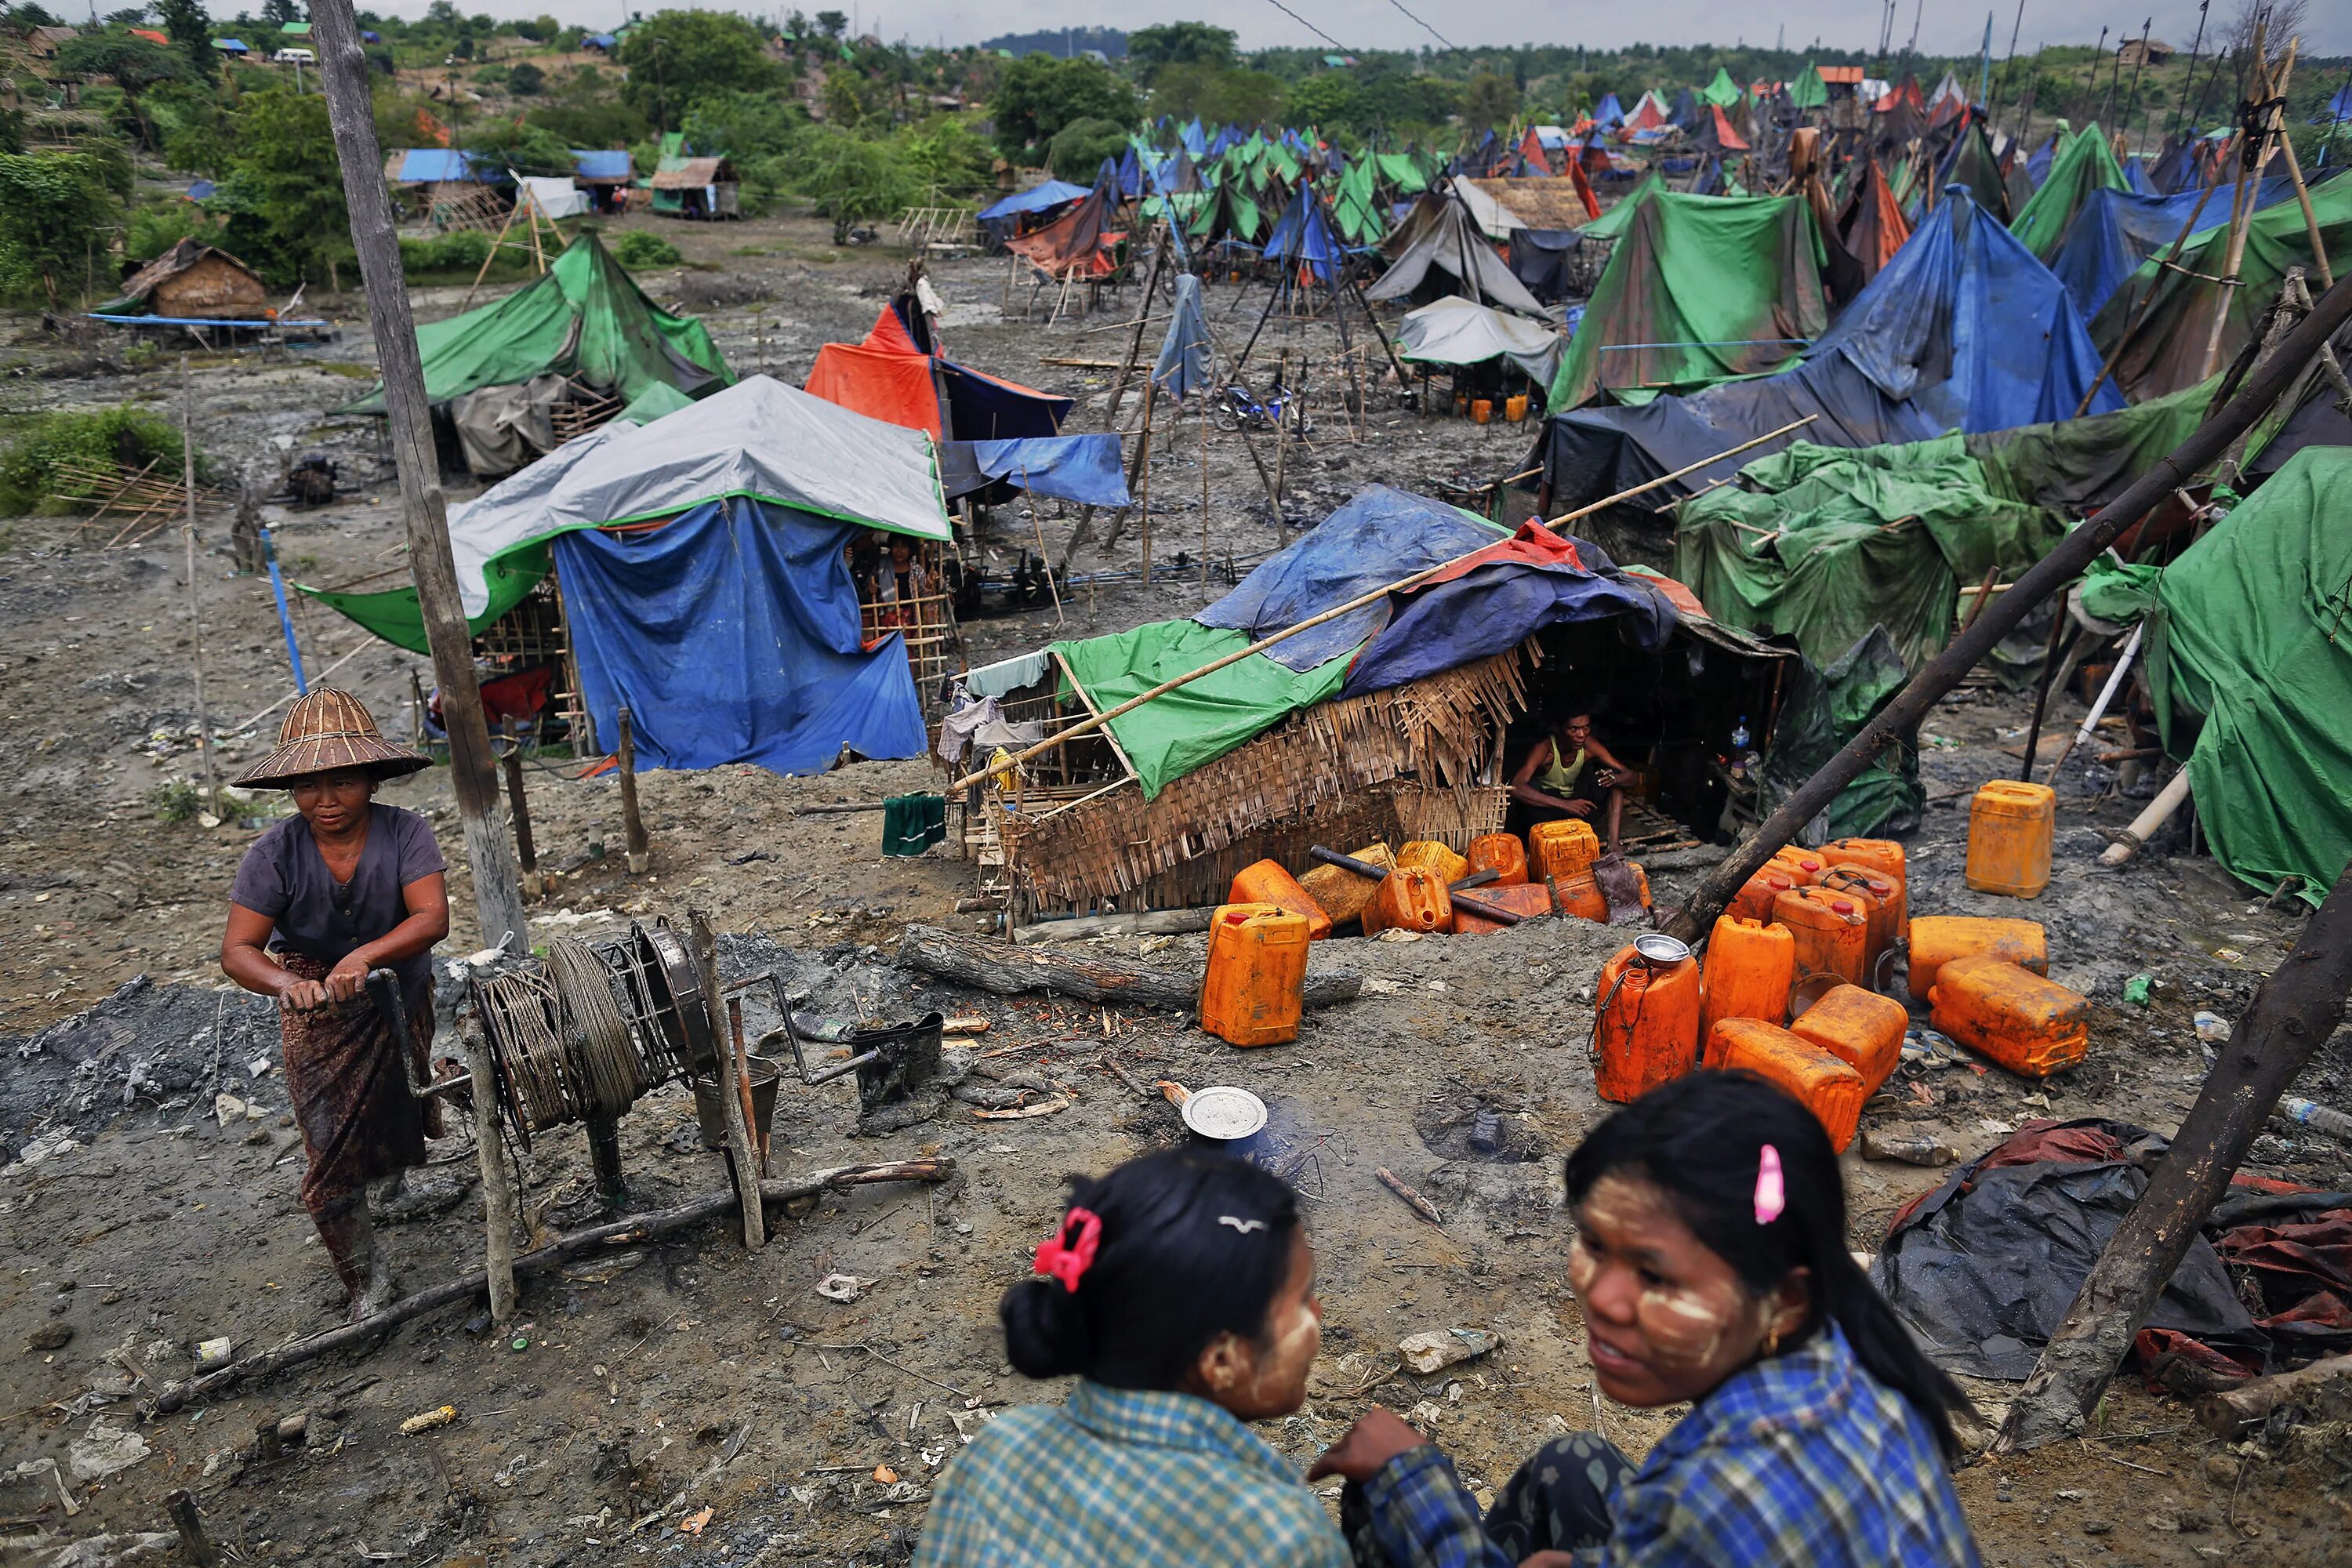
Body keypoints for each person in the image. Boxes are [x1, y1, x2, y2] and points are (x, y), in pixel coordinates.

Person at [1315, 1072, 1983, 1567]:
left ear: (1785, 1301)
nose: (1602, 1299)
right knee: (1573, 1467)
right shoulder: (1849, 1359)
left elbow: (1711, 1530)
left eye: (1656, 1276)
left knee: (1393, 1497)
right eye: (1596, 1245)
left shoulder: (1718, 1501)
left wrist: (1411, 1480)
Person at [913, 1149, 1352, 1568]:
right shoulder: (1282, 1539)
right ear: (1221, 1360)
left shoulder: (997, 1452)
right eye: (1303, 1300)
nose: (1318, 1314)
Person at [219, 688, 451, 1323]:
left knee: (401, 1093)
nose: (326, 800)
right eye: (309, 786)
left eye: (343, 782)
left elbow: (432, 917)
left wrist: (367, 957)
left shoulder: (407, 832)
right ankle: (366, 1281)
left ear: (371, 778)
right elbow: (238, 949)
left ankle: (396, 1189)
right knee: (329, 1137)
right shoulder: (272, 854)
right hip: (318, 1011)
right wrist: (286, 985)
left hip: (399, 988)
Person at [1508, 710, 1630, 851]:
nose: (1582, 734)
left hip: (1578, 811)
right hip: (1548, 815)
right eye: (1574, 729)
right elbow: (1516, 787)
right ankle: (1537, 845)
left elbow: (1630, 776)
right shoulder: (1544, 748)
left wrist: (1618, 778)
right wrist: (1564, 804)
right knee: (1530, 792)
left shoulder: (1589, 745)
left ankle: (1613, 844)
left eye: (1586, 727)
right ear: (1557, 729)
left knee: (1613, 781)